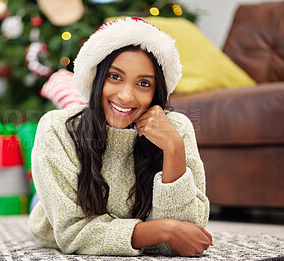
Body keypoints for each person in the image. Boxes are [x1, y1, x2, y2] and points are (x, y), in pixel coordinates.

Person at [28, 17, 212, 257]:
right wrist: (164, 230)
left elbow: (186, 236)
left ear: (157, 91)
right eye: (115, 76)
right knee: (46, 199)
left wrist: (174, 148)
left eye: (144, 83)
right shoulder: (55, 128)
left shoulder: (176, 129)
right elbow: (72, 232)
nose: (126, 96)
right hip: (58, 204)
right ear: (96, 76)